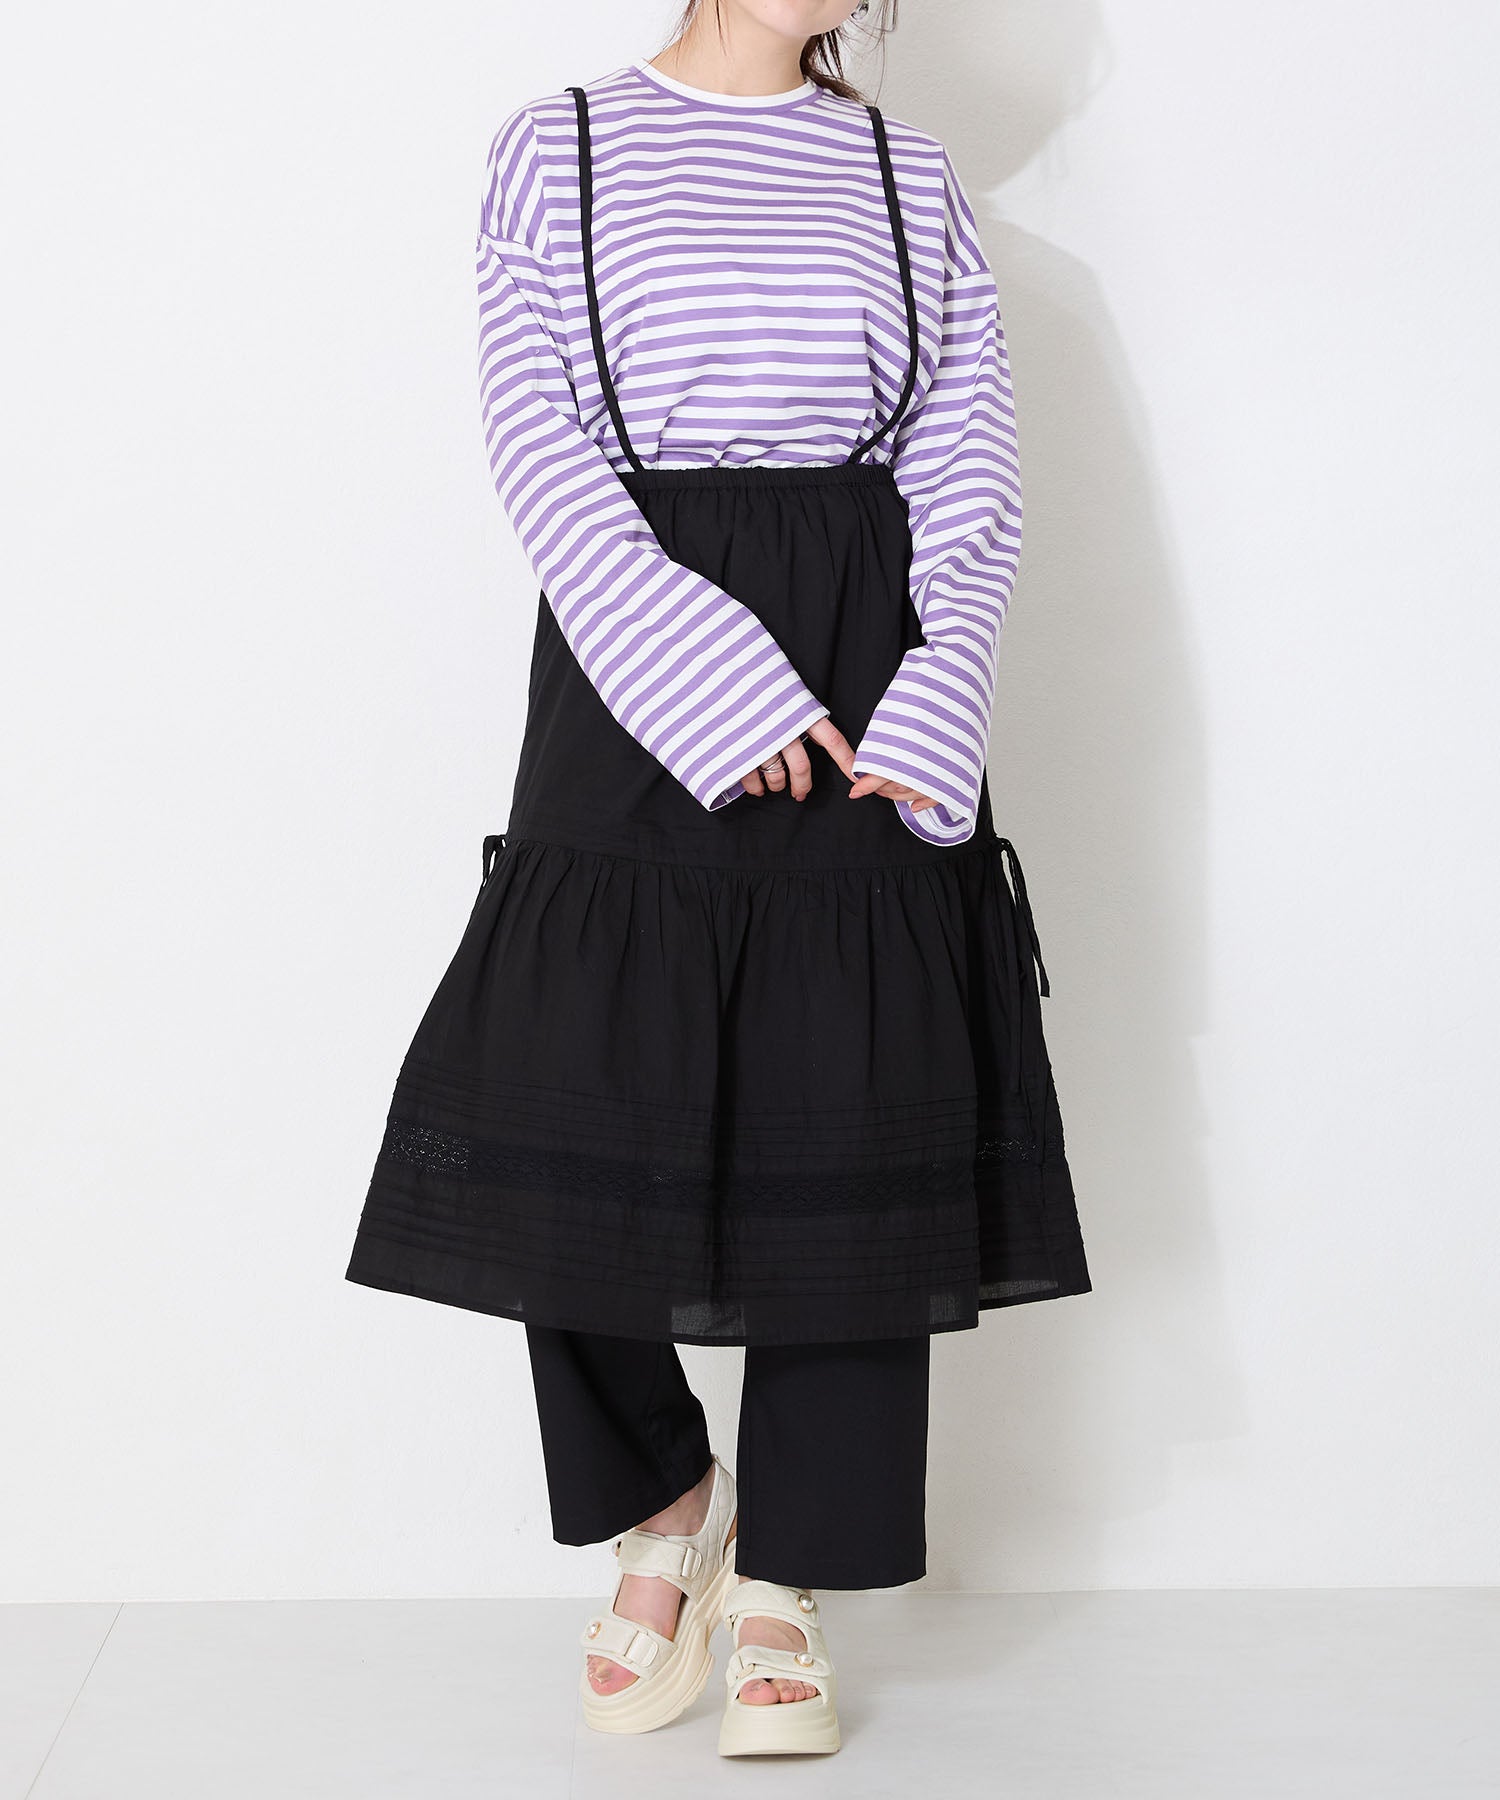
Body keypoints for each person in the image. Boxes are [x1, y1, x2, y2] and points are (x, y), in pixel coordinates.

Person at [344, 0, 1092, 1759]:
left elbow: (966, 456)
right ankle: (666, 1504)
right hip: (634, 648)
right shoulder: (561, 145)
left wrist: (939, 681)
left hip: (870, 649)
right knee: (568, 1083)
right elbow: (543, 450)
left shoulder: (906, 174)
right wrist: (707, 679)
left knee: (857, 1105)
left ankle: (788, 1577)